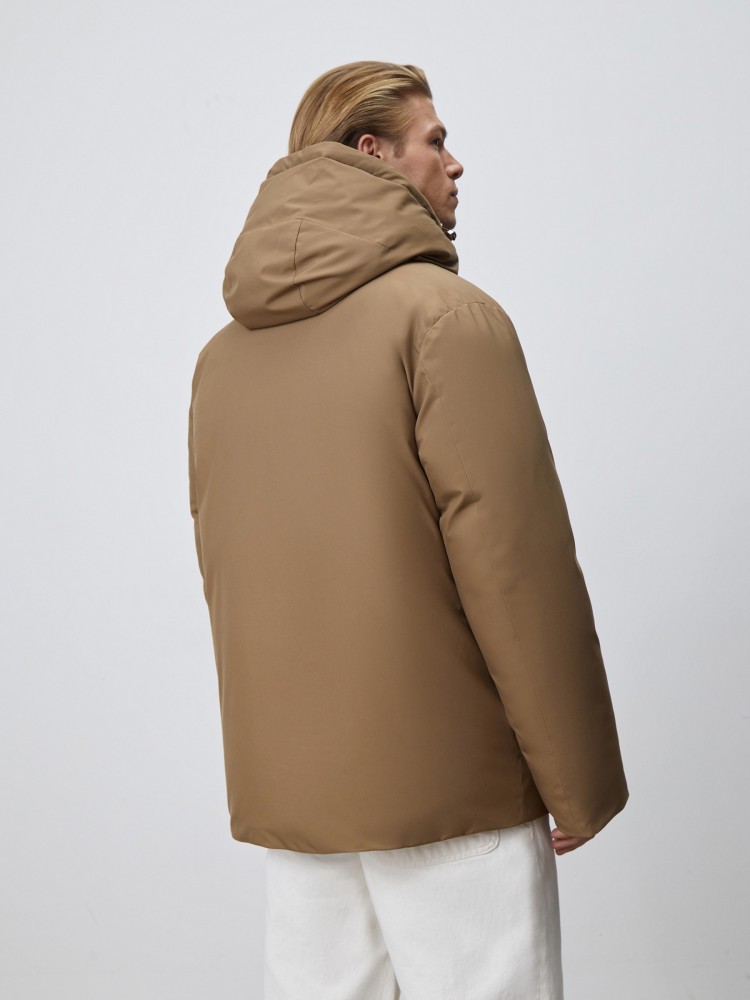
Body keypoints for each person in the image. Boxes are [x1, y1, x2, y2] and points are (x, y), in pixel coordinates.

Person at [188, 60, 629, 999]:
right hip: (453, 791)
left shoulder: (224, 360)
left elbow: (232, 577)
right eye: (436, 140)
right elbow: (515, 567)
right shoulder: (445, 319)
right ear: (373, 153)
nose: (455, 163)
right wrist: (579, 778)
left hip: (300, 799)